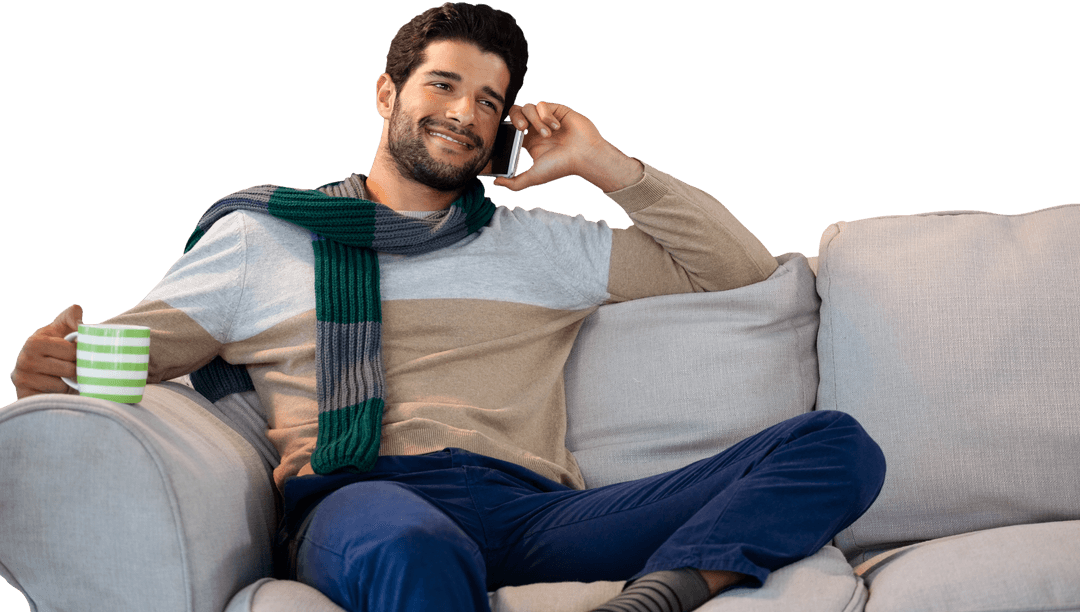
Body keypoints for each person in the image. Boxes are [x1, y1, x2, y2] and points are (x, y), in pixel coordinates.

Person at [10, 3, 886, 611]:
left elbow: (739, 269)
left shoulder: (542, 245)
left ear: (502, 130)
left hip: (535, 514)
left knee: (835, 445)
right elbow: (118, 355)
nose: (464, 113)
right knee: (410, 547)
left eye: (488, 102)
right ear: (387, 94)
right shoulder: (263, 240)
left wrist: (602, 162)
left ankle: (662, 596)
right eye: (442, 85)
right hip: (364, 497)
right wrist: (52, 369)